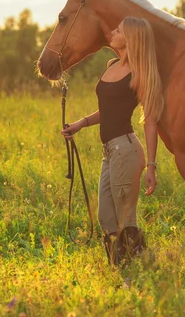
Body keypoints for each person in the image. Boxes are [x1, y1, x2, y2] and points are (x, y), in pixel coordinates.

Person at [61, 17, 164, 266]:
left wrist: (151, 165)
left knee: (125, 218)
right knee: (106, 217)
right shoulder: (111, 65)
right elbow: (108, 110)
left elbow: (150, 120)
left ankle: (137, 270)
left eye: (118, 30)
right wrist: (81, 123)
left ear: (130, 38)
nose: (113, 31)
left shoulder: (141, 73)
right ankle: (121, 269)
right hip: (109, 152)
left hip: (126, 150)